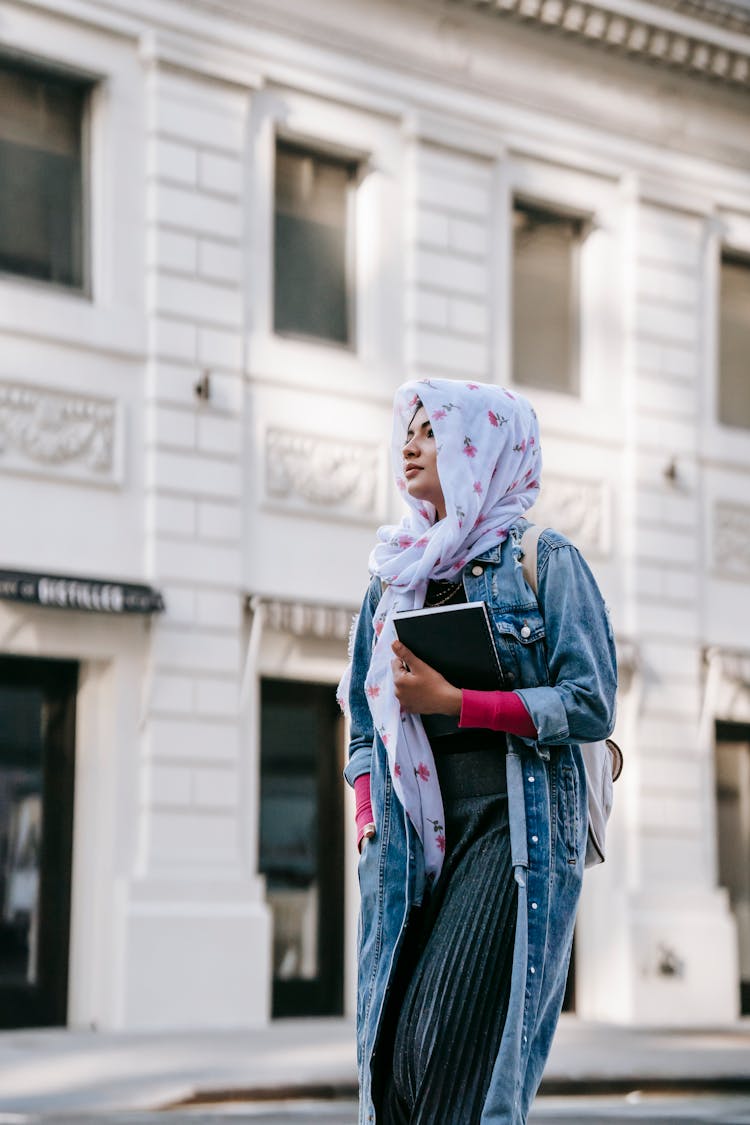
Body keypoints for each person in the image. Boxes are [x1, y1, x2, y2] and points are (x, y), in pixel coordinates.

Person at [338, 377, 617, 1125]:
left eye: (432, 430)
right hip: (412, 842)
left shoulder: (543, 560)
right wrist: (368, 818)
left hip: (512, 829)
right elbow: (362, 728)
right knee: (394, 1067)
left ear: (481, 447)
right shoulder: (394, 577)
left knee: (441, 1051)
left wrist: (458, 705)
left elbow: (591, 701)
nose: (410, 443)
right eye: (408, 428)